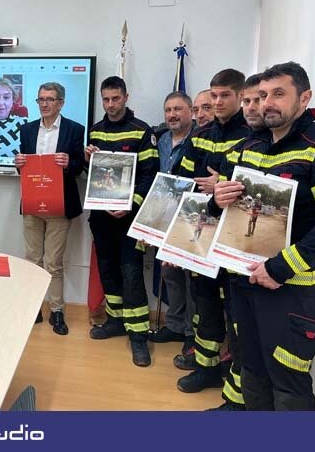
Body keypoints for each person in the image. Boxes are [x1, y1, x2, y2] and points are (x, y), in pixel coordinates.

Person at [211, 61, 315, 410]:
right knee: (252, 372)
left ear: (304, 99)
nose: (266, 103)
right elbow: (226, 208)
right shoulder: (250, 146)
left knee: (287, 383)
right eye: (261, 95)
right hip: (244, 279)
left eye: (278, 94)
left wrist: (282, 267)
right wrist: (217, 201)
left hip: (290, 288)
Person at [176, 69, 251, 409]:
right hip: (203, 231)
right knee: (204, 303)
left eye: (226, 96)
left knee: (237, 314)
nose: (218, 102)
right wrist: (201, 186)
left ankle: (234, 383)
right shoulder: (201, 133)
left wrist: (224, 181)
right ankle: (204, 367)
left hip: (236, 238)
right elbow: (181, 177)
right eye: (214, 95)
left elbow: (256, 186)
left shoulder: (253, 135)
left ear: (240, 96)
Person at [86, 76, 159, 367]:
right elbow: (90, 175)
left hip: (131, 219)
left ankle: (138, 336)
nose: (110, 104)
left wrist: (132, 205)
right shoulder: (96, 131)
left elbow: (150, 175)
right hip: (102, 217)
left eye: (115, 98)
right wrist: (86, 158)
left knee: (131, 273)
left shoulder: (143, 131)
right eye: (106, 99)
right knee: (107, 270)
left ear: (126, 97)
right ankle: (115, 320)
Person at [15, 82, 85, 336]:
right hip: (33, 204)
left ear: (61, 103)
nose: (44, 104)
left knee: (54, 263)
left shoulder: (75, 129)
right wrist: (18, 163)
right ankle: (33, 308)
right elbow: (23, 167)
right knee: (32, 260)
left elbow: (79, 167)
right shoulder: (27, 129)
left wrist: (69, 163)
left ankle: (57, 311)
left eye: (50, 100)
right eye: (41, 99)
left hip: (59, 204)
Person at [149, 92, 196, 354]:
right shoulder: (161, 139)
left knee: (190, 277)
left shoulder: (200, 139)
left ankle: (191, 331)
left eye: (178, 109)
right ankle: (175, 325)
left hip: (190, 218)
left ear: (191, 111)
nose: (172, 115)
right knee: (170, 274)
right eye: (168, 110)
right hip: (163, 215)